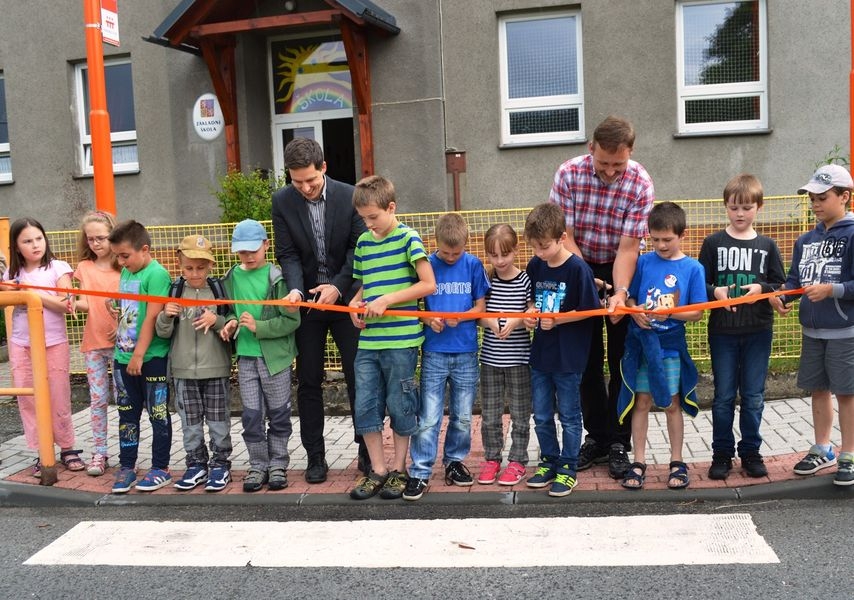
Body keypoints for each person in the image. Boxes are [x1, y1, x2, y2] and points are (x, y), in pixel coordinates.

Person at [549, 115, 655, 480]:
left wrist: (620, 294)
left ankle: (619, 442)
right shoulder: (568, 174)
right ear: (590, 148)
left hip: (621, 265)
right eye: (603, 163)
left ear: (631, 153)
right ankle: (595, 437)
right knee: (586, 359)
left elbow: (629, 248)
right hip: (577, 261)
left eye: (618, 164)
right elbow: (564, 235)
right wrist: (586, 279)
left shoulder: (640, 181)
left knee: (622, 359)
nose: (610, 172)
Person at [272, 137, 368, 483]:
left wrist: (339, 287)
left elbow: (359, 248)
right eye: (297, 182)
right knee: (309, 379)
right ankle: (315, 455)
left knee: (359, 376)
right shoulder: (282, 202)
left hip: (347, 301)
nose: (306, 188)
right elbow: (287, 253)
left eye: (310, 180)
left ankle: (365, 449)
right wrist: (296, 289)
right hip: (308, 305)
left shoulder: (349, 196)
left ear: (323, 168)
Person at [347, 175, 436, 500]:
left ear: (391, 207)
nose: (369, 225)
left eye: (374, 217)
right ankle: (378, 469)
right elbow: (366, 285)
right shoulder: (364, 243)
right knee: (365, 406)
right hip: (369, 342)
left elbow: (428, 284)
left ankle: (400, 468)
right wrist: (356, 303)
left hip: (401, 342)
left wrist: (388, 300)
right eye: (364, 219)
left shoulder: (408, 238)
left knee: (401, 404)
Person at [770, 164, 854, 486]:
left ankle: (848, 452)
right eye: (811, 198)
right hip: (812, 331)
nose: (815, 204)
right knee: (818, 390)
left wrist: (833, 290)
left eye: (822, 197)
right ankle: (823, 448)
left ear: (844, 197)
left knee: (846, 393)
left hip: (845, 330)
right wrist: (782, 297)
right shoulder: (806, 239)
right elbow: (795, 281)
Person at [698, 174, 786, 480]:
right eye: (734, 207)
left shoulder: (767, 245)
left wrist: (762, 288)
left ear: (758, 208)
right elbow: (701, 284)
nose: (740, 214)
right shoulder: (712, 243)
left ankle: (750, 452)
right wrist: (715, 293)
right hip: (722, 331)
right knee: (723, 396)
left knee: (753, 396)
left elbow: (778, 284)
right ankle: (721, 453)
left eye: (747, 207)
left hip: (758, 330)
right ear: (725, 207)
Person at [616, 202, 706, 490]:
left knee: (671, 404)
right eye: (655, 239)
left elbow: (697, 312)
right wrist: (636, 311)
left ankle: (677, 461)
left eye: (667, 239)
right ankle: (639, 460)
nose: (661, 245)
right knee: (641, 402)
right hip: (643, 344)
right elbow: (630, 298)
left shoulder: (693, 268)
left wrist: (669, 314)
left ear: (683, 235)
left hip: (669, 347)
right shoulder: (643, 262)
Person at [403, 213, 490, 501]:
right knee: (428, 416)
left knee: (463, 416)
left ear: (466, 244)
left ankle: (454, 461)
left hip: (465, 351)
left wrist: (460, 317)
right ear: (434, 243)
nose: (451, 257)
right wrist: (429, 321)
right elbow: (416, 305)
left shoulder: (473, 264)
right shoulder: (427, 264)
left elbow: (480, 308)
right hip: (434, 352)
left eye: (457, 251)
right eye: (445, 252)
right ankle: (420, 470)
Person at [521, 203, 600, 497]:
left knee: (569, 414)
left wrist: (560, 319)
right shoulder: (535, 265)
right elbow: (531, 300)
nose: (540, 253)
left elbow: (591, 311)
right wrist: (531, 314)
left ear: (562, 237)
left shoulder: (578, 269)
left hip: (569, 356)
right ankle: (548, 460)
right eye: (535, 247)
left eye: (544, 246)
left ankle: (568, 466)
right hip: (541, 353)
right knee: (541, 414)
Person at [220, 220, 301, 492]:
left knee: (279, 414)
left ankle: (278, 464)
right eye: (242, 252)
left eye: (253, 249)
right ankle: (258, 465)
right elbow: (230, 310)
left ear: (266, 245)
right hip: (245, 357)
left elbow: (292, 321)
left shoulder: (277, 278)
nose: (249, 256)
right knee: (251, 416)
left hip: (274, 359)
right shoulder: (231, 277)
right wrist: (230, 323)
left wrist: (260, 327)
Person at [1, 218, 82, 477]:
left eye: (38, 238)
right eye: (27, 241)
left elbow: (66, 304)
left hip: (53, 342)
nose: (35, 245)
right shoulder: (12, 273)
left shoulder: (58, 267)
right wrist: (13, 291)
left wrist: (32, 294)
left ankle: (67, 448)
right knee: (28, 398)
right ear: (16, 247)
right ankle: (42, 451)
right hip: (21, 343)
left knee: (58, 394)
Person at [155, 235, 233, 492]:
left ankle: (221, 464)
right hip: (183, 369)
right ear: (180, 265)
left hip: (216, 367)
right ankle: (196, 464)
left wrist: (218, 321)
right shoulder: (174, 291)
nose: (195, 273)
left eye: (200, 267)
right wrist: (166, 316)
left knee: (218, 420)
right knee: (190, 420)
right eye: (189, 268)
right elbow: (163, 332)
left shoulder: (220, 290)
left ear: (210, 265)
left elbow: (233, 324)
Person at [107, 220, 173, 493]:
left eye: (125, 256)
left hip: (151, 357)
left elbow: (152, 317)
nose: (121, 262)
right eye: (117, 257)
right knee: (127, 415)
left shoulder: (156, 274)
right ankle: (127, 466)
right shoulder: (128, 272)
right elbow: (132, 313)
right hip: (122, 357)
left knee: (158, 413)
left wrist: (139, 354)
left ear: (144, 249)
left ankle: (160, 467)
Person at [476, 224, 532, 486]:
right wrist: (492, 323)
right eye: (493, 255)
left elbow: (532, 313)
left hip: (519, 359)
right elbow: (479, 315)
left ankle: (518, 459)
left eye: (504, 255)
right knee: (490, 414)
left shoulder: (524, 280)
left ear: (515, 251)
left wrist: (515, 321)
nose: (499, 261)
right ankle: (492, 458)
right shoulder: (487, 280)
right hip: (490, 359)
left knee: (520, 414)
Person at [71, 211, 121, 476]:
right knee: (98, 400)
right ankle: (99, 453)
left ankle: (129, 451)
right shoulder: (84, 268)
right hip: (93, 344)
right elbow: (84, 302)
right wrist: (69, 303)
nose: (96, 243)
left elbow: (134, 304)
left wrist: (123, 327)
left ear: (112, 236)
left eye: (101, 237)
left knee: (126, 400)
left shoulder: (123, 267)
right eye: (90, 239)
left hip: (121, 344)